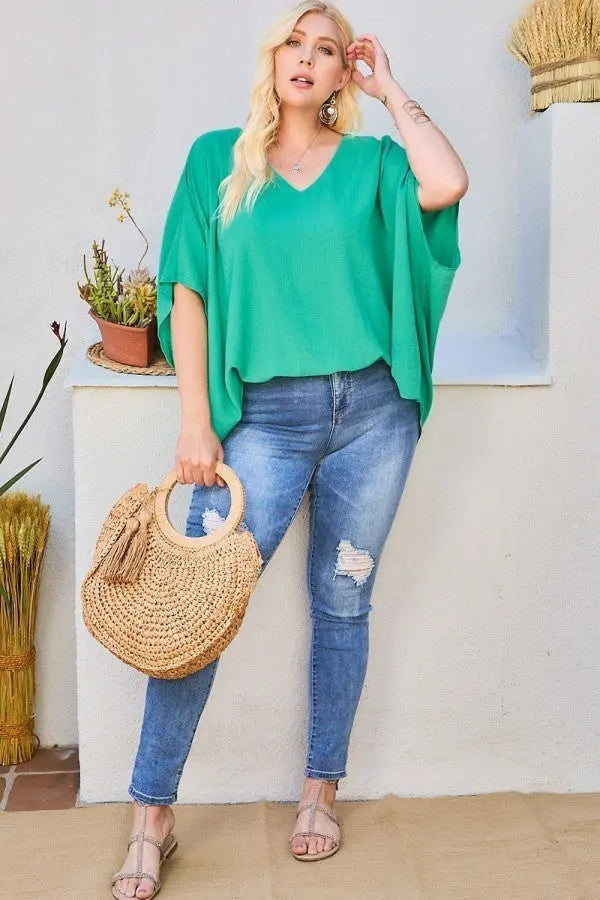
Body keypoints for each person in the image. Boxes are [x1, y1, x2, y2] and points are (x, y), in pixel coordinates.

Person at [111, 1, 468, 896]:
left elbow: (448, 182)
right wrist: (196, 422)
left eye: (327, 50)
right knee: (197, 605)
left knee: (343, 605)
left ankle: (320, 792)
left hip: (373, 414)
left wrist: (392, 90)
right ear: (273, 58)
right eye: (294, 44)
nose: (307, 59)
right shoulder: (217, 161)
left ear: (343, 73)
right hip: (263, 420)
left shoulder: (375, 163)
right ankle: (152, 814)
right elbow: (185, 293)